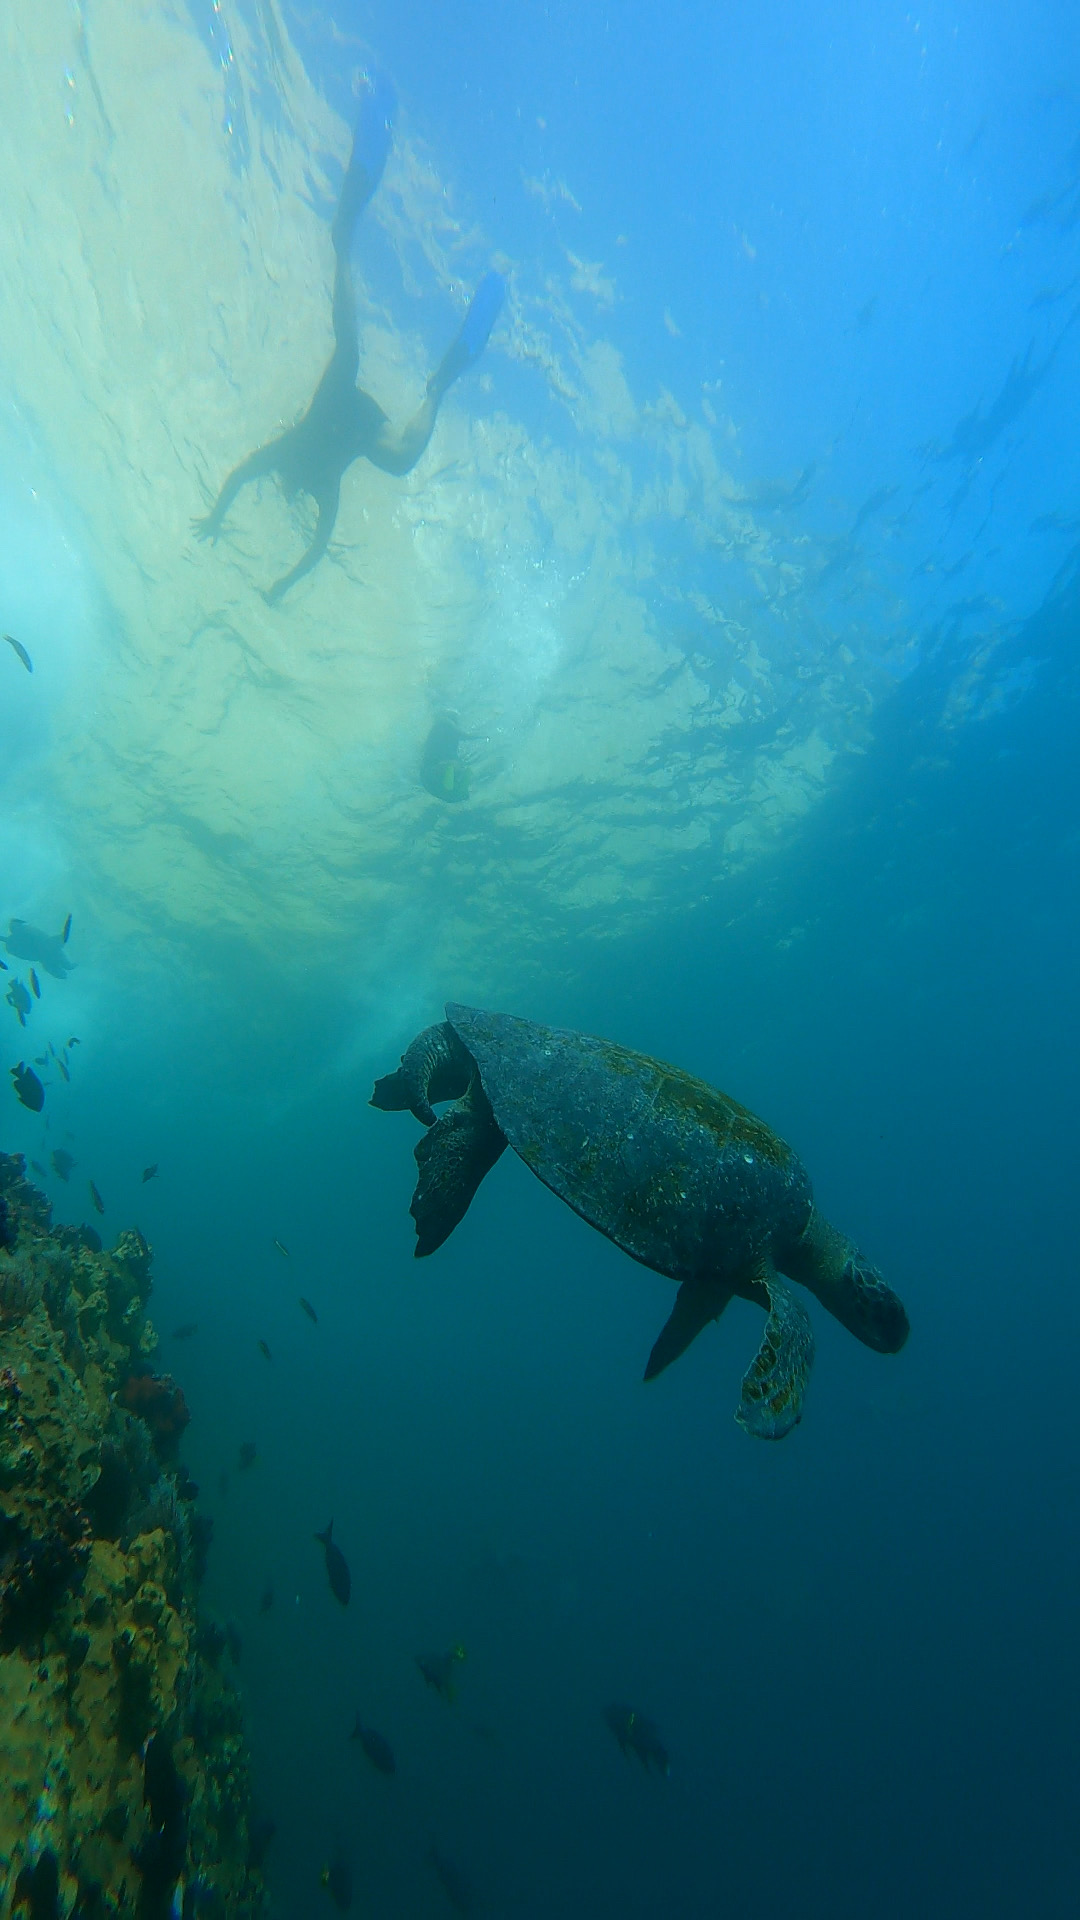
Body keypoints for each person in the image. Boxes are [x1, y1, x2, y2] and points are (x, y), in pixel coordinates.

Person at [194, 78, 504, 603]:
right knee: (401, 460)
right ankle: (441, 384)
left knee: (351, 352)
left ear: (286, 484)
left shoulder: (284, 455)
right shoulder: (322, 488)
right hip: (363, 427)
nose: (289, 485)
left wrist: (217, 517)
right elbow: (317, 548)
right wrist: (281, 586)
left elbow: (241, 476)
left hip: (335, 400)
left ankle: (342, 240)